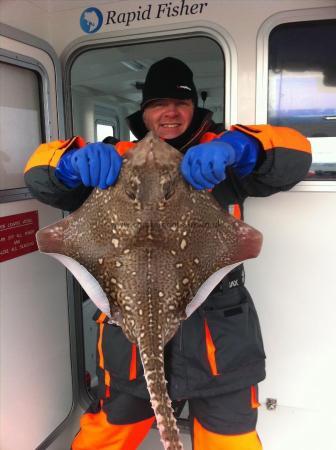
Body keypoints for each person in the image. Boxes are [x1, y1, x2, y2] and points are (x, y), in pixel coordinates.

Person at [24, 57, 312, 450]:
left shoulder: (222, 151)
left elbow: (295, 154)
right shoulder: (115, 156)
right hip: (130, 323)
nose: (170, 112)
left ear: (195, 108)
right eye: (158, 103)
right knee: (107, 436)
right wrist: (70, 165)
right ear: (144, 113)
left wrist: (241, 147)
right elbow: (40, 174)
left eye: (181, 102)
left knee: (231, 441)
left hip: (219, 330)